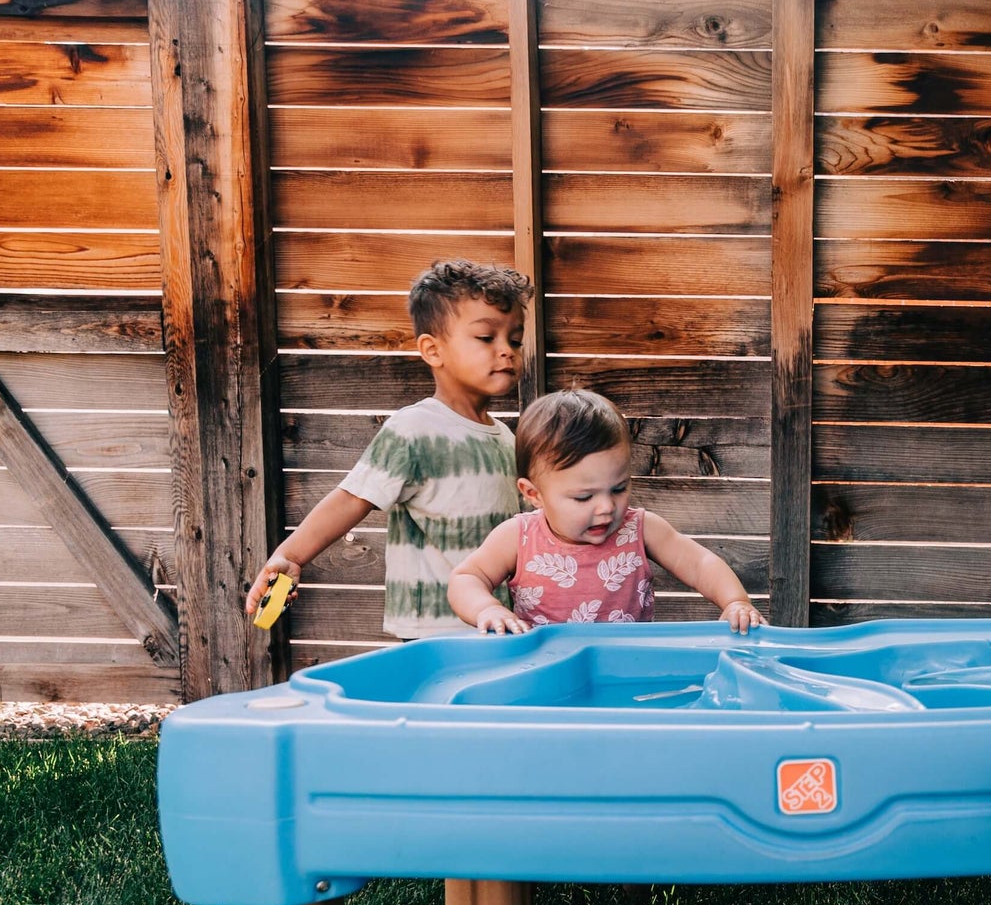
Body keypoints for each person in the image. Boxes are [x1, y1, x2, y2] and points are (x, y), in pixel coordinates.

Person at [244, 260, 529, 638]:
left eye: (515, 339)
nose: (506, 351)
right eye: (485, 338)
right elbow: (350, 499)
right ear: (432, 350)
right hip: (431, 634)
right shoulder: (414, 430)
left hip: (497, 626)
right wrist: (291, 556)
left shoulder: (508, 440)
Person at [449, 388, 764, 634]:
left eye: (618, 488)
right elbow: (466, 578)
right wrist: (486, 609)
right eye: (584, 497)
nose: (606, 507)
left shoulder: (640, 528)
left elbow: (700, 563)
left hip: (625, 668)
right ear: (534, 494)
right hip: (545, 668)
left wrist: (734, 601)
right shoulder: (518, 537)